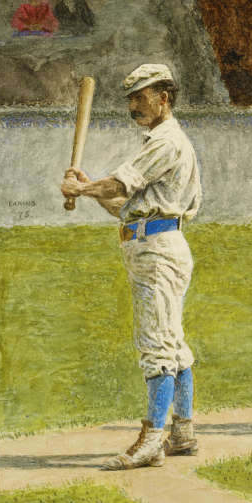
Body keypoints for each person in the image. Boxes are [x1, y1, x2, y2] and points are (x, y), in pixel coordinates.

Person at [60, 63, 202, 469]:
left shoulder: (166, 142)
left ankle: (152, 441)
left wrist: (81, 187)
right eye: (131, 98)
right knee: (172, 341)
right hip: (154, 242)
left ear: (164, 97)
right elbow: (128, 208)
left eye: (142, 96)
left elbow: (122, 185)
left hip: (158, 250)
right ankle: (183, 431)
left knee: (156, 344)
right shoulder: (162, 140)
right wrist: (89, 192)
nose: (135, 104)